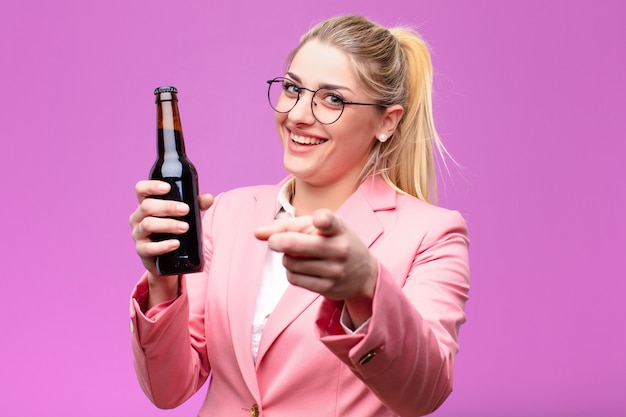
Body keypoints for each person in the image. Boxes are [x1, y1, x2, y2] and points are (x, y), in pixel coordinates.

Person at [128, 14, 470, 417]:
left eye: (332, 99)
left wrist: (366, 289)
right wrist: (162, 283)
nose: (297, 115)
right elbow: (168, 390)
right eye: (292, 88)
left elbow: (423, 394)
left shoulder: (433, 234)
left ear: (386, 122)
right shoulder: (226, 213)